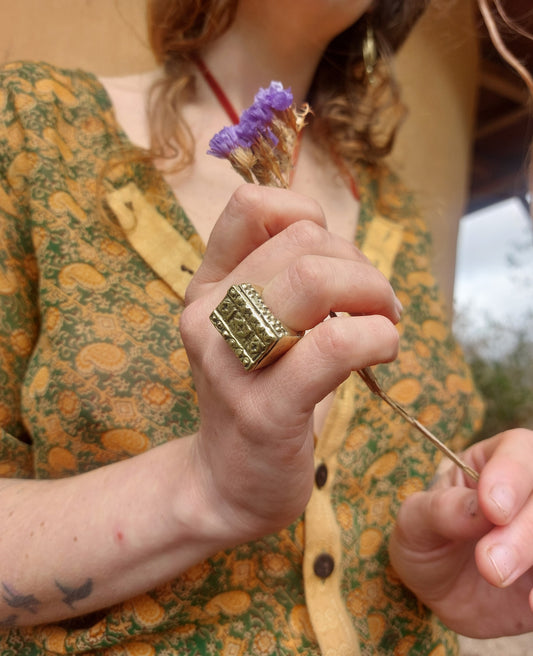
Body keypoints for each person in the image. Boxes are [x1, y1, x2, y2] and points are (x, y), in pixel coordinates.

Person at [0, 1, 527, 655]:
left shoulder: (393, 210)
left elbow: (389, 498)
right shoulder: (33, 130)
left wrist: (451, 547)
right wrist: (203, 488)